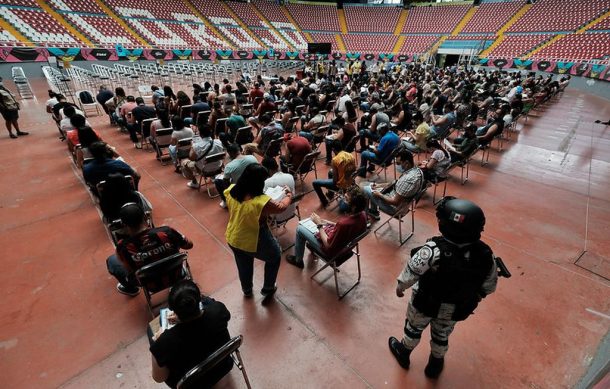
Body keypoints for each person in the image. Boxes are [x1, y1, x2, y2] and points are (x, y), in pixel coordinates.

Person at [388, 197, 498, 378]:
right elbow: (489, 285)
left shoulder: (432, 249)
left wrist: (401, 287)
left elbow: (412, 271)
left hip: (425, 303)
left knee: (413, 329)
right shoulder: (486, 255)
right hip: (455, 307)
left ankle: (404, 352)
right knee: (441, 334)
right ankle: (435, 363)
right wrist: (474, 296)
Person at [224, 164, 292, 297]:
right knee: (275, 256)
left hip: (233, 236)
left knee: (243, 264)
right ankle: (268, 288)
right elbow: (281, 207)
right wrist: (288, 194)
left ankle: (247, 290)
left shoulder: (231, 191)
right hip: (254, 238)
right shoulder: (261, 201)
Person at [150, 280, 232, 389]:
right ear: (200, 298)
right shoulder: (218, 309)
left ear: (173, 310)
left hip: (191, 385)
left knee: (150, 330)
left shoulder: (164, 343)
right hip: (223, 366)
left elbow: (159, 378)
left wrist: (157, 342)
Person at [106, 203, 193, 296]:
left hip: (149, 285)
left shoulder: (123, 247)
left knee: (112, 260)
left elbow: (129, 270)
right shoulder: (167, 231)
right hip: (176, 275)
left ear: (123, 224)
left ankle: (131, 289)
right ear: (145, 217)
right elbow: (189, 245)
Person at [285, 186, 368, 269]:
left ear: (354, 206)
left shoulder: (343, 224)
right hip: (346, 248)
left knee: (300, 229)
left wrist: (319, 224)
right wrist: (327, 222)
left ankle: (298, 260)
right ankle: (312, 247)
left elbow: (328, 245)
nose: (342, 200)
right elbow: (344, 228)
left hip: (332, 253)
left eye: (346, 199)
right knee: (318, 227)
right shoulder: (363, 215)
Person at [363, 148, 424, 221]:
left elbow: (395, 202)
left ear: (407, 163)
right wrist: (379, 186)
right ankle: (373, 211)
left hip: (395, 209)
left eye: (398, 163)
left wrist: (380, 195)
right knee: (373, 187)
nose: (397, 166)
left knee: (365, 189)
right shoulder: (418, 171)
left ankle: (365, 218)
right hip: (402, 203)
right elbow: (396, 183)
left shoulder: (407, 180)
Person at [213, 143, 258, 209]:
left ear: (230, 154)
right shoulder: (252, 157)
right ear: (240, 150)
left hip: (240, 189)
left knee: (217, 180)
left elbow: (226, 183)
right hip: (255, 185)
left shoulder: (229, 166)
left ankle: (226, 201)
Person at [181, 124, 224, 189]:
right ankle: (213, 176)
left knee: (184, 163)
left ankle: (194, 182)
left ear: (201, 134)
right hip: (218, 168)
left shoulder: (196, 146)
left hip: (204, 170)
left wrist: (192, 146)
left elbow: (192, 158)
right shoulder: (218, 141)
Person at [262, 156, 296, 223]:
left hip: (278, 215)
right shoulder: (290, 176)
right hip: (291, 211)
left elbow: (263, 202)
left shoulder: (267, 182)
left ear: (267, 170)